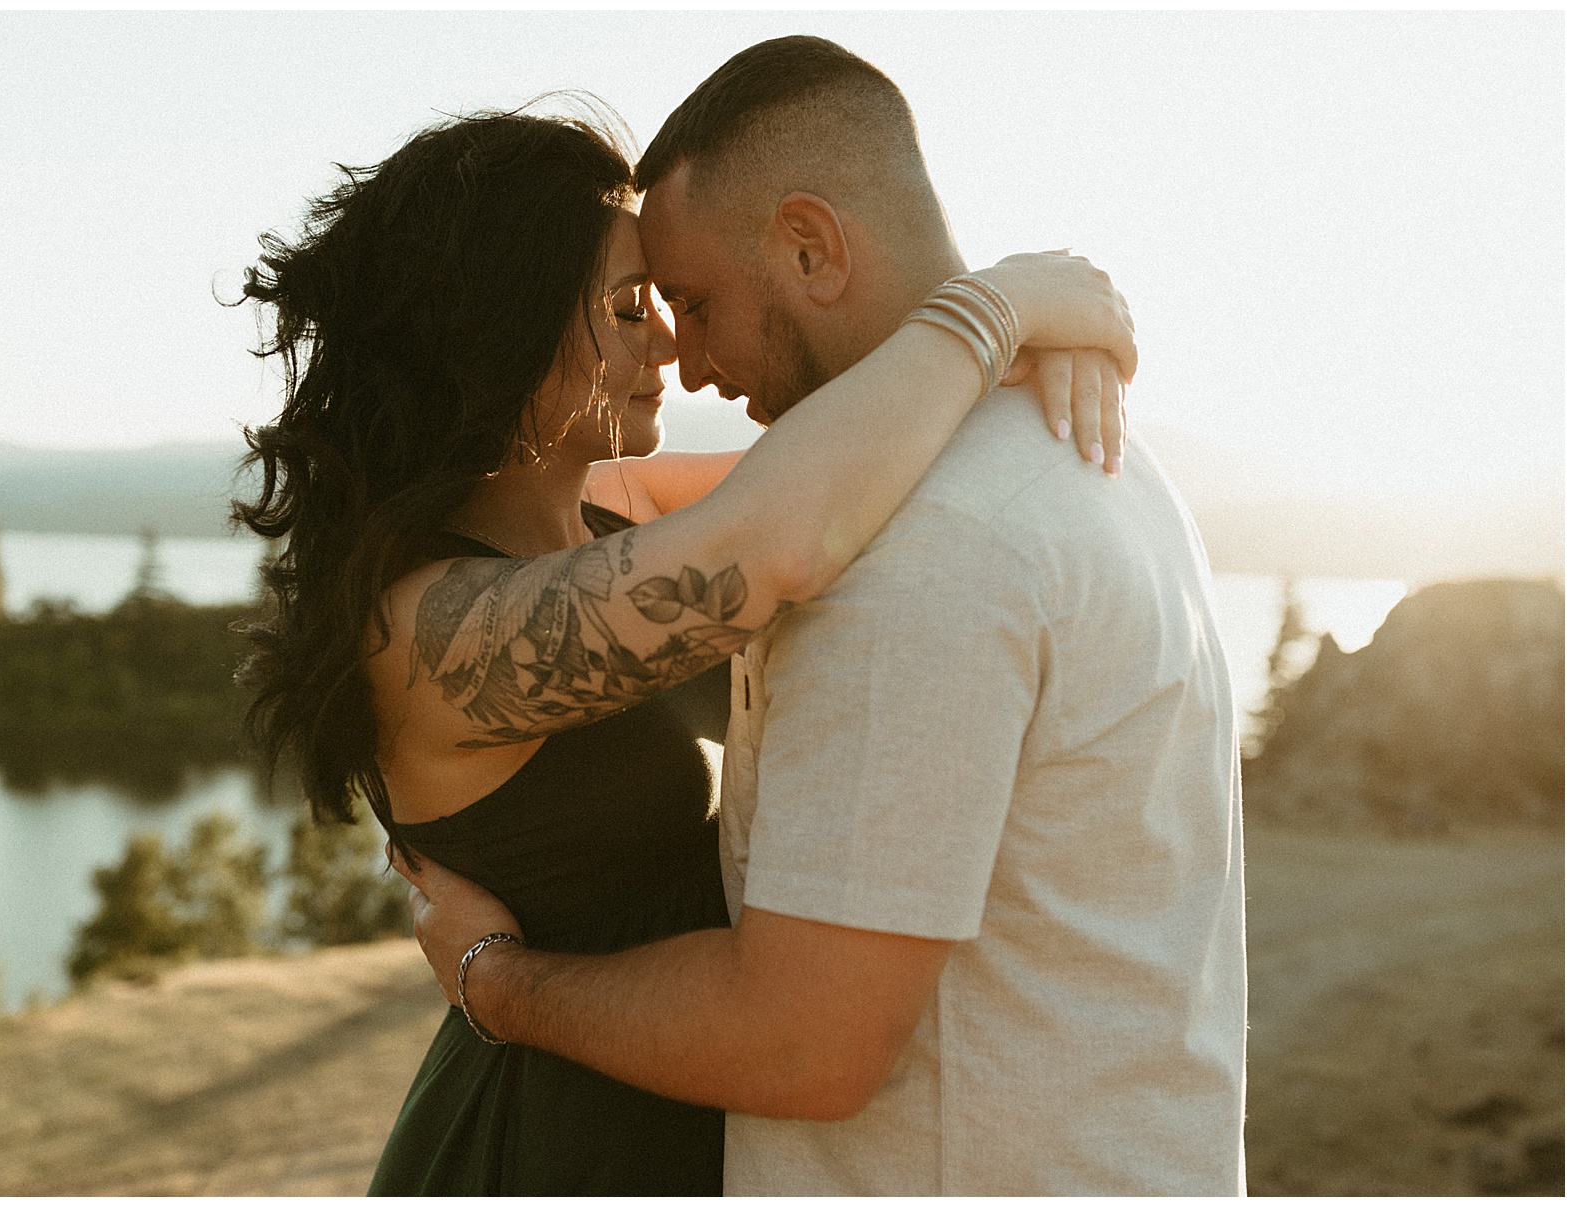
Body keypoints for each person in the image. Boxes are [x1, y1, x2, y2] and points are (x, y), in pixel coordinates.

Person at [232, 98, 1134, 1195]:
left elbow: (865, 464)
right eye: (623, 306)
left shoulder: (608, 507)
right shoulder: (425, 630)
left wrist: (1039, 352)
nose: (667, 339)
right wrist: (994, 308)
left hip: (680, 1106)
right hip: (553, 1140)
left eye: (663, 299)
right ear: (499, 333)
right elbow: (784, 544)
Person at [395, 36, 1247, 1196]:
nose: (682, 361)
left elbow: (802, 1042)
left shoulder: (917, 551)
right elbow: (744, 518)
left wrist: (498, 981)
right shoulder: (1089, 455)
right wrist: (1005, 308)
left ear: (811, 245)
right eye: (639, 310)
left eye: (691, 303)